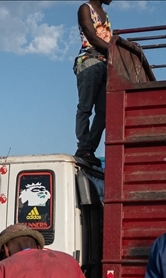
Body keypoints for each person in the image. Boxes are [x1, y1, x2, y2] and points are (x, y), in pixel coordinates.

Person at [74, 0, 112, 167]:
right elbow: (91, 35)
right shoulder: (85, 8)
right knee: (85, 107)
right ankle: (83, 148)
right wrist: (115, 49)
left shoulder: (104, 11)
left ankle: (89, 148)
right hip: (89, 61)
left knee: (103, 112)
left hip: (105, 63)